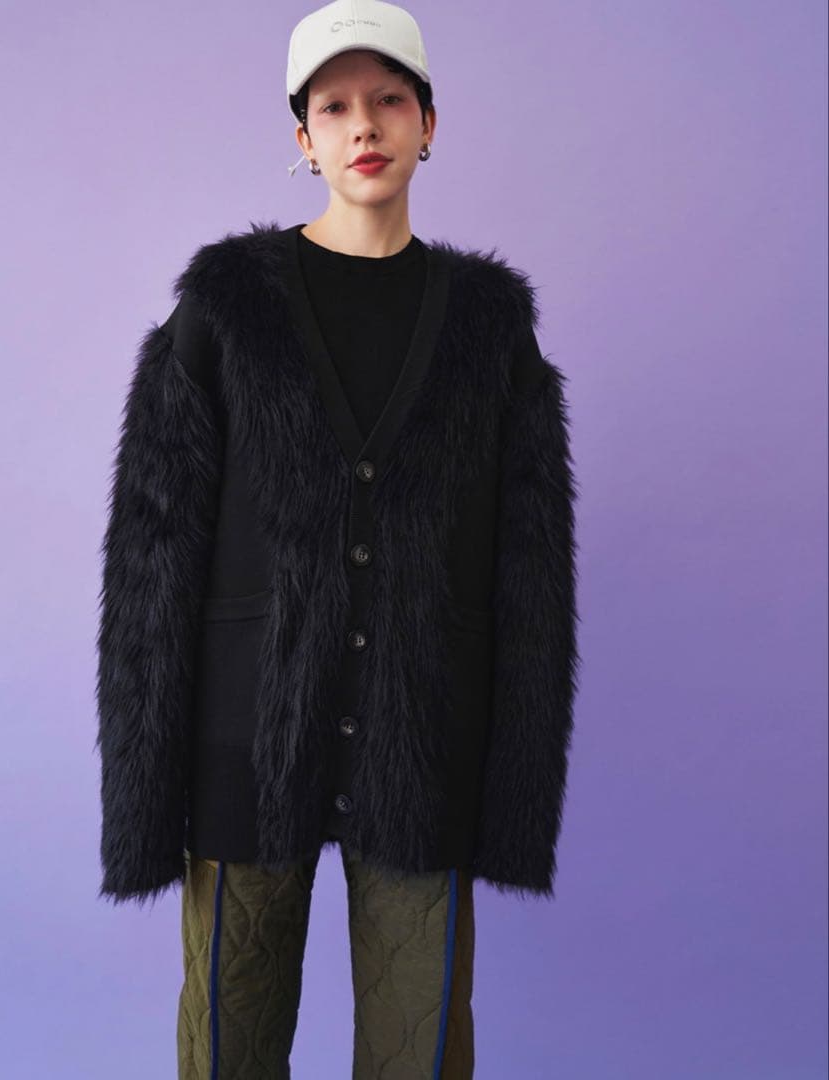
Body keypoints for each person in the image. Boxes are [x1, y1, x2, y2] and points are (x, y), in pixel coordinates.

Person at [94, 1, 581, 1077]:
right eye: (334, 106)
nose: (364, 124)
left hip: (423, 740)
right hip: (244, 742)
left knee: (421, 1045)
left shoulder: (488, 326)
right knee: (229, 1039)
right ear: (303, 138)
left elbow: (530, 569)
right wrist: (146, 781)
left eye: (389, 100)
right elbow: (151, 552)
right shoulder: (225, 307)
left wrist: (512, 775)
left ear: (427, 125)